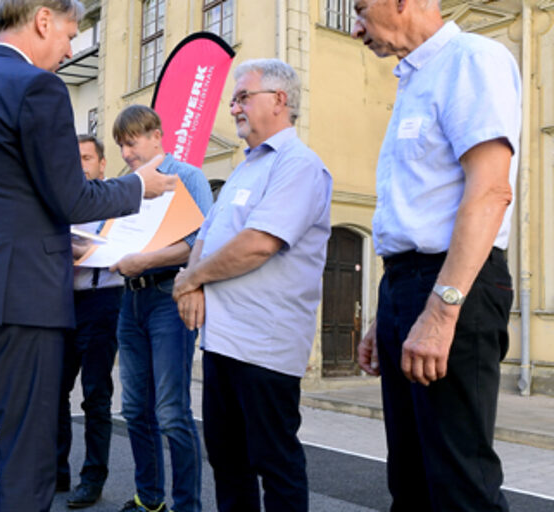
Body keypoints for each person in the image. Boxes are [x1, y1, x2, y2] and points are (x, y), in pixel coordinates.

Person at [0, 1, 175, 511]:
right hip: (23, 302)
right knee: (27, 454)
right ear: (43, 20)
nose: (69, 48)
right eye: (69, 33)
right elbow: (72, 199)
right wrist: (137, 185)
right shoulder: (37, 87)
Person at [351, 0, 521, 509]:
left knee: (457, 484)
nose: (356, 26)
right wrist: (390, 312)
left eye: (359, 9)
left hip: (455, 285)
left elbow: (490, 191)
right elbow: (417, 211)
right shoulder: (412, 82)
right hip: (409, 282)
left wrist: (440, 311)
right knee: (411, 478)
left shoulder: (472, 60)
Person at [172, 59, 332, 512]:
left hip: (265, 346)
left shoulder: (299, 166)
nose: (233, 107)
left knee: (274, 464)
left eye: (243, 96)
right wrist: (194, 285)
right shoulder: (245, 168)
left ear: (279, 100)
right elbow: (207, 236)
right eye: (233, 99)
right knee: (228, 462)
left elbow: (258, 243)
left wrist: (189, 279)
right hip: (223, 341)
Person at [109, 105, 212, 512]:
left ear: (156, 135)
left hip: (170, 298)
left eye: (131, 143)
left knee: (171, 411)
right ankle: (150, 498)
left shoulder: (188, 177)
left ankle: (187, 505)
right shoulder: (126, 184)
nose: (126, 153)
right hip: (129, 299)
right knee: (135, 409)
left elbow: (201, 241)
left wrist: (144, 262)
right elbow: (113, 241)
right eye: (120, 146)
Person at [56, 134, 123, 508]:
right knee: (55, 392)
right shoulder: (62, 203)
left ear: (101, 164)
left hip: (102, 301)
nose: (80, 164)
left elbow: (126, 249)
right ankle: (57, 470)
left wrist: (88, 250)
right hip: (61, 303)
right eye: (74, 157)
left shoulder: (116, 204)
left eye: (86, 157)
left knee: (96, 396)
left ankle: (93, 478)